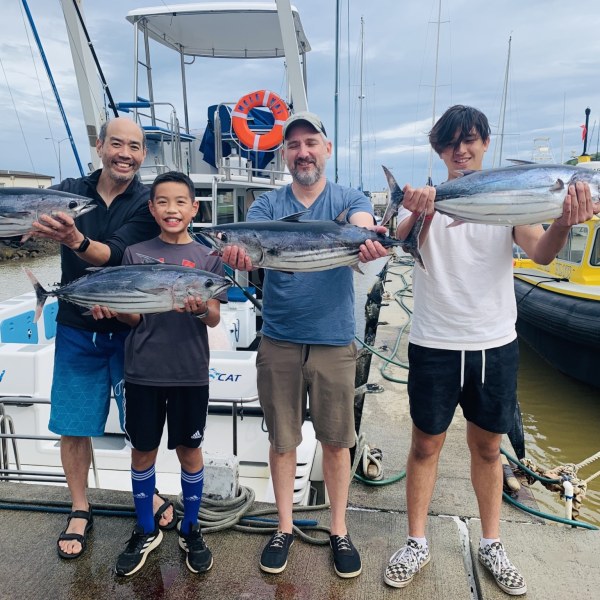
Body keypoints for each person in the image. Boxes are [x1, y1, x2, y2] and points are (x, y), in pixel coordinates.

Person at [384, 105, 597, 595]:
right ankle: (416, 541)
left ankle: (492, 543)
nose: (462, 150)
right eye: (452, 142)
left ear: (484, 144)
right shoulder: (428, 198)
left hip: (494, 344)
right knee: (424, 446)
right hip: (434, 343)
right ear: (438, 150)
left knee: (488, 448)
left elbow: (542, 253)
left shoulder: (509, 198)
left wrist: (566, 221)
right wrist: (415, 207)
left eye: (472, 140)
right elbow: (399, 241)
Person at [222, 111, 389, 578]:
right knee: (283, 441)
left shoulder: (348, 197)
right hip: (279, 340)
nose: (303, 152)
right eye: (293, 145)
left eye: (311, 142)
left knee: (337, 442)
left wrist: (371, 236)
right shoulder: (265, 208)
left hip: (335, 340)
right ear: (284, 156)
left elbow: (362, 220)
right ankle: (284, 526)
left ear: (326, 149)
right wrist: (237, 257)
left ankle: (339, 529)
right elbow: (250, 254)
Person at [30, 117, 177, 559]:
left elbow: (115, 254)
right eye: (117, 143)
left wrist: (74, 237)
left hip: (130, 327)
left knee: (141, 425)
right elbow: (36, 216)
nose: (125, 154)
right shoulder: (70, 190)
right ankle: (79, 506)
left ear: (143, 155)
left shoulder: (144, 203)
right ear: (100, 146)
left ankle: (145, 495)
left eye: (134, 146)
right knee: (74, 425)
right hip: (77, 326)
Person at [91, 171, 227, 576]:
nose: (171, 209)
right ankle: (146, 528)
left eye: (180, 202)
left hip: (190, 372)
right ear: (151, 208)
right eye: (162, 202)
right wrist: (113, 309)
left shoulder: (208, 258)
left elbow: (215, 317)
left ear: (193, 208)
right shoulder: (135, 253)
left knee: (189, 451)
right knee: (142, 451)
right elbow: (135, 317)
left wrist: (200, 308)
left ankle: (190, 527)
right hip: (143, 371)